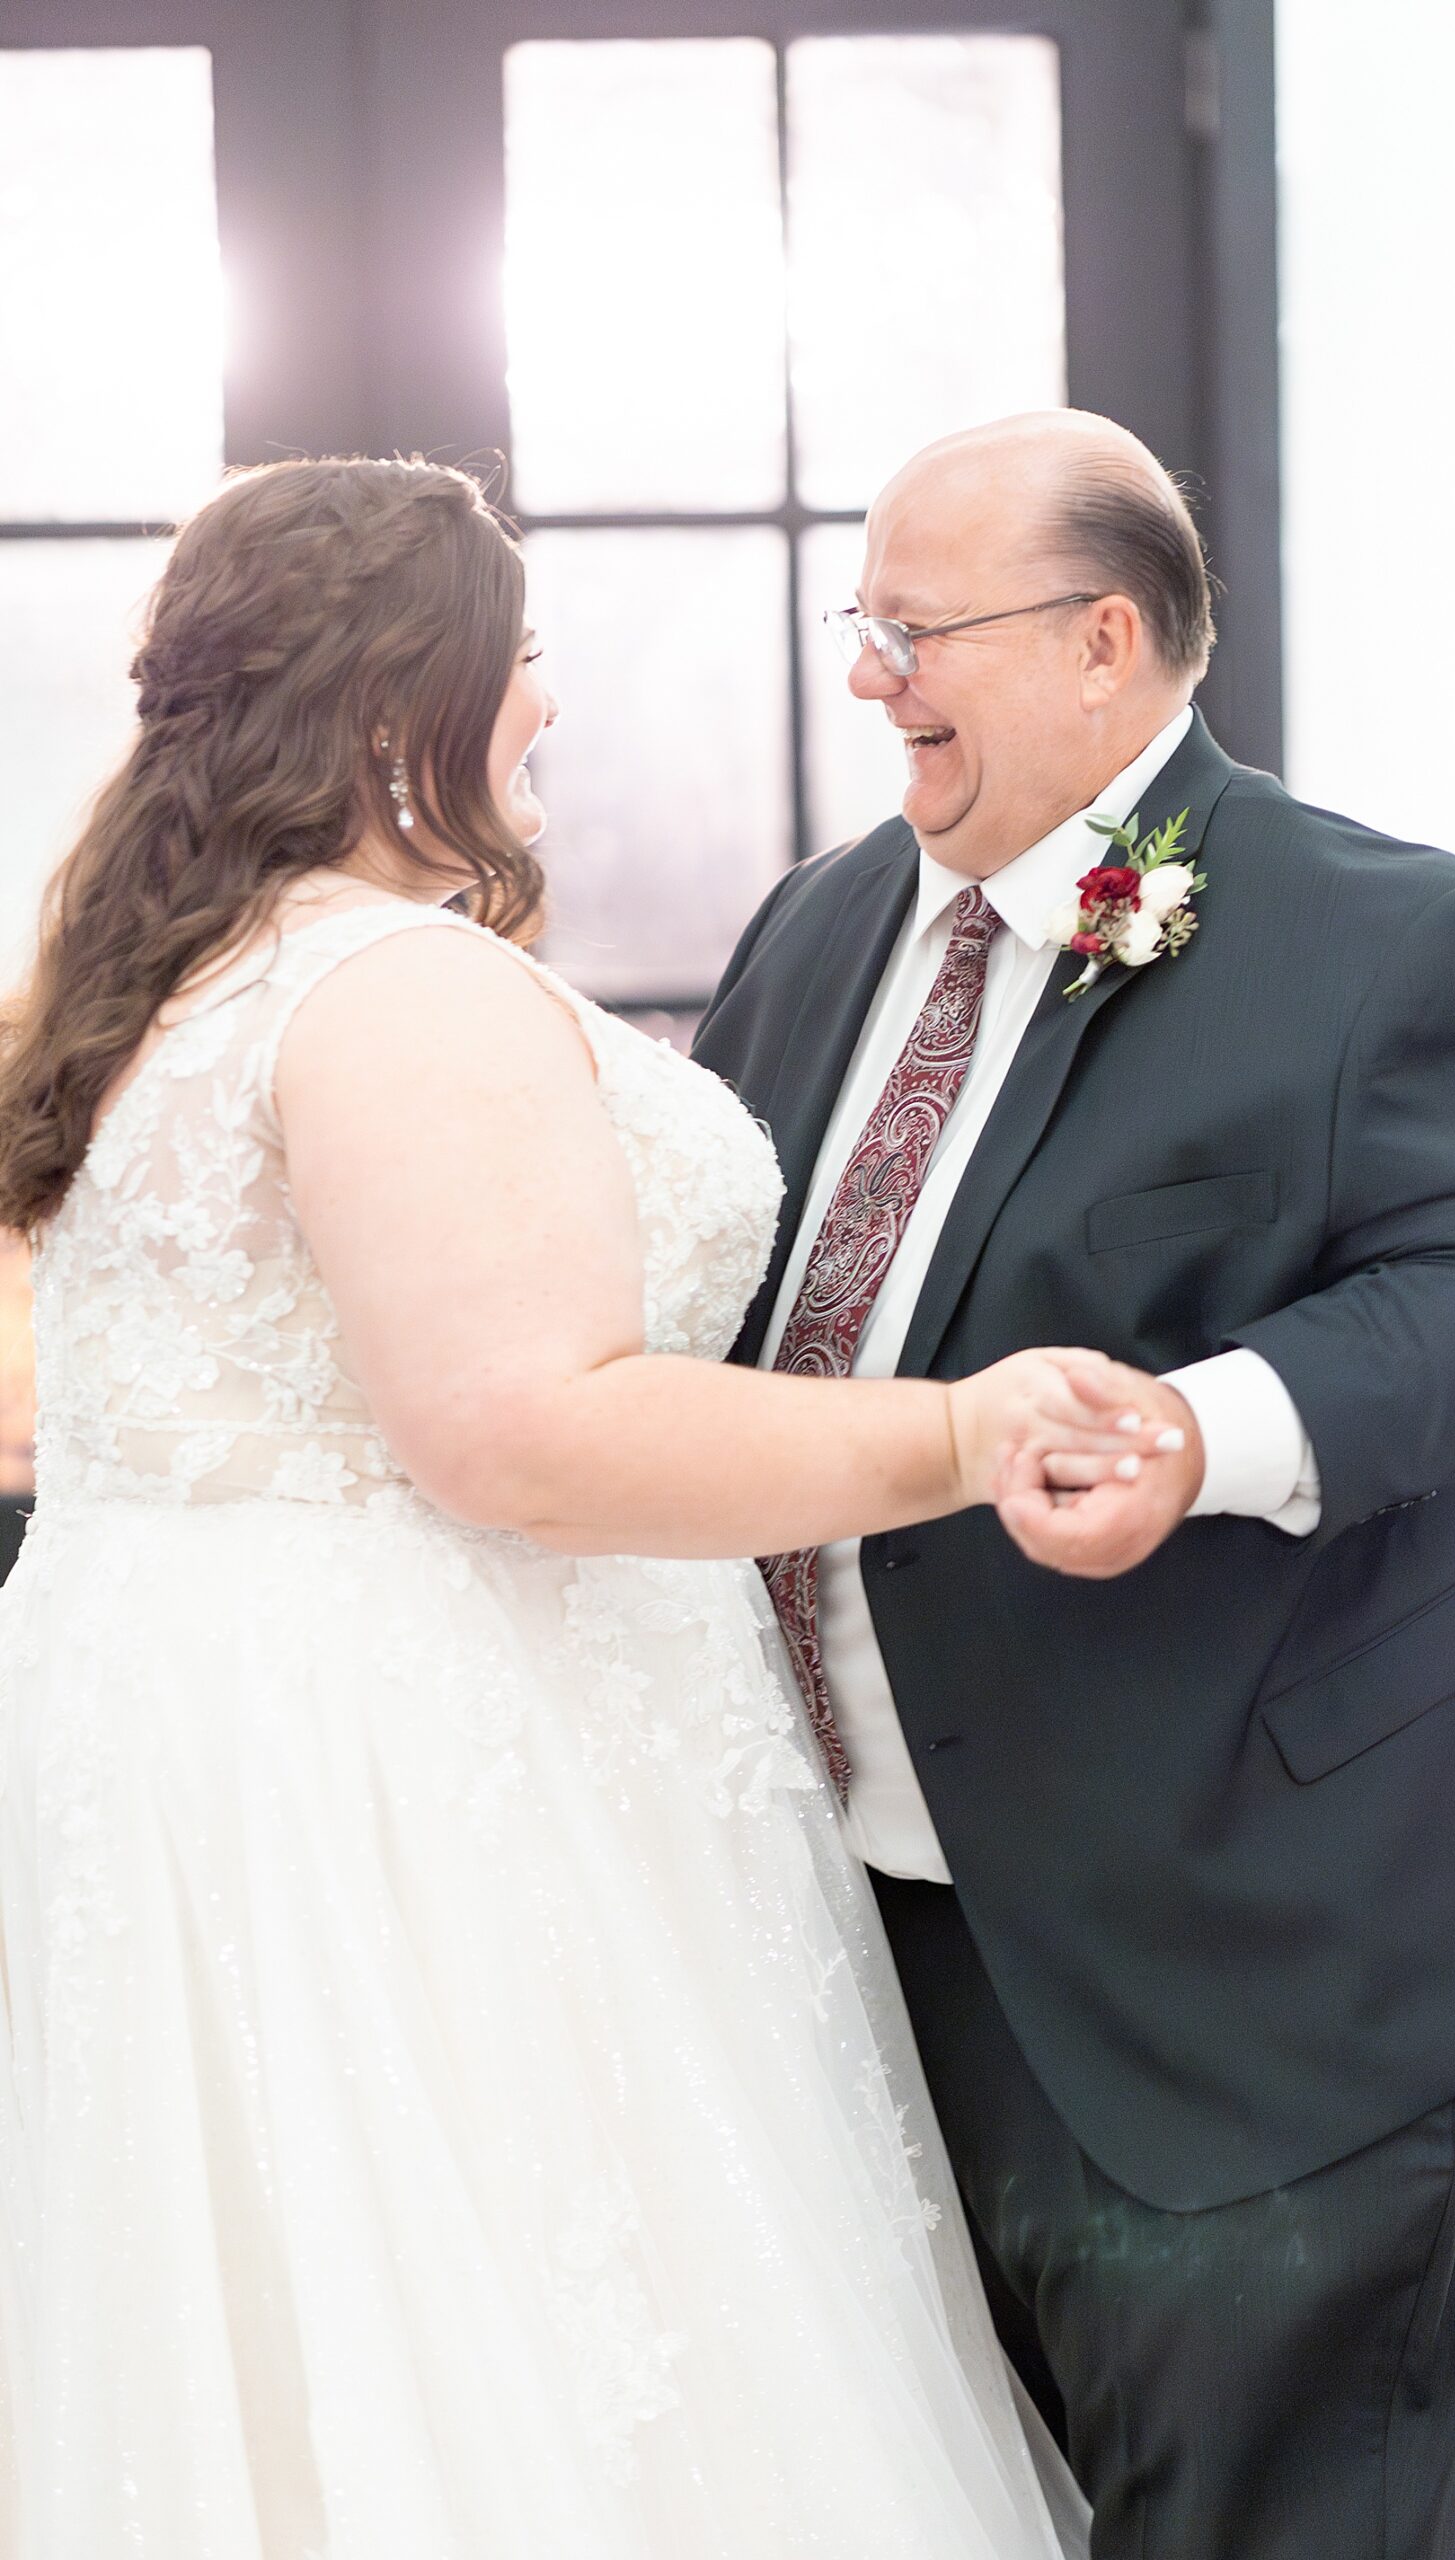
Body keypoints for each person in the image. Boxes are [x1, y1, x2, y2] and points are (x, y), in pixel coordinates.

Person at [0, 454, 1167, 2556]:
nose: (549, 702)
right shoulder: (390, 990)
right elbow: (524, 1429)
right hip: (423, 1778)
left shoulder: (155, 988)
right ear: (394, 710)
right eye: (520, 658)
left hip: (220, 1743)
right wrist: (962, 1430)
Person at [693, 408, 1455, 2560]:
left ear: (1101, 642)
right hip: (887, 1909)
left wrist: (1198, 1429)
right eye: (858, 624)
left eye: (910, 629)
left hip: (1282, 1921)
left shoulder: (1391, 934)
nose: (865, 676)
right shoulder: (814, 926)